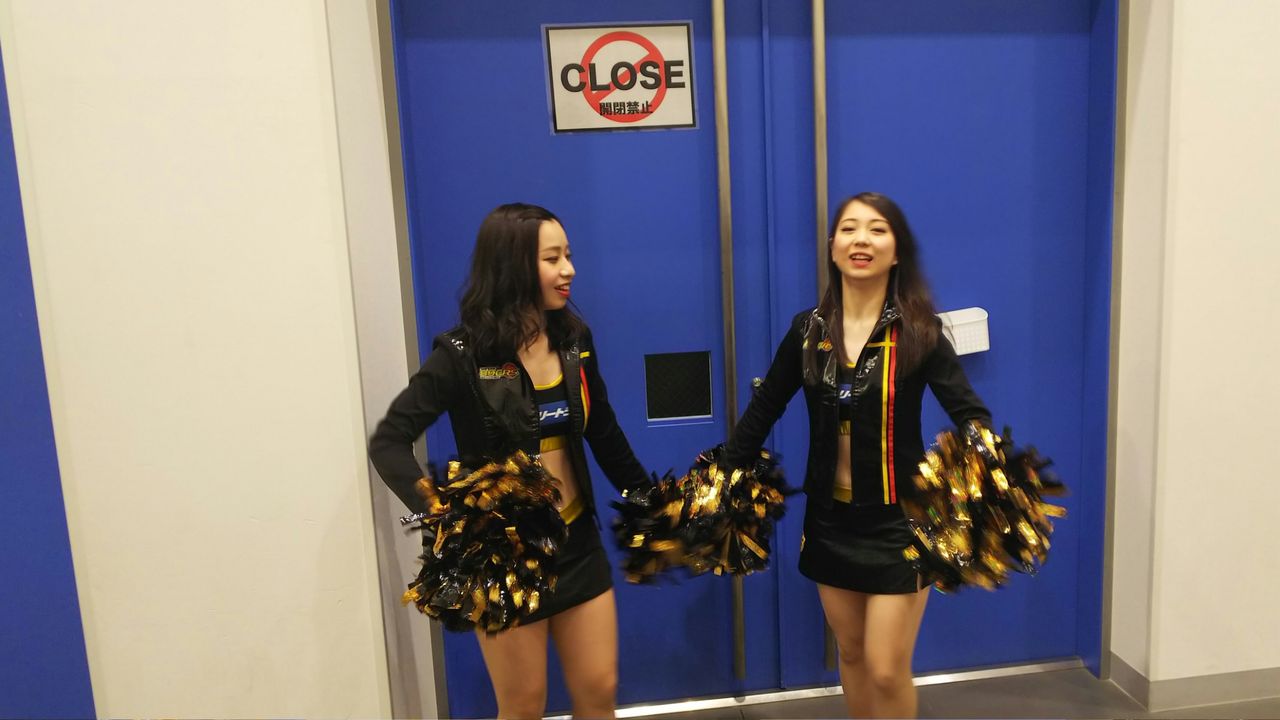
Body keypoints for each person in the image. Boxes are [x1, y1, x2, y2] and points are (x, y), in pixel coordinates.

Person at [369, 203, 650, 720]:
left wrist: (651, 503)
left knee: (599, 690)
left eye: (568, 256)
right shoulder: (461, 355)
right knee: (522, 706)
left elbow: (603, 431)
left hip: (578, 544)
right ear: (513, 265)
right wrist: (443, 512)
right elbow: (389, 440)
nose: (568, 270)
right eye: (552, 258)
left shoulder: (574, 341)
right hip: (505, 557)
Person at [723, 192, 991, 718]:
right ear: (832, 247)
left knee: (887, 668)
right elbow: (765, 407)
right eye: (848, 228)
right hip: (830, 521)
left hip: (901, 522)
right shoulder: (807, 331)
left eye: (876, 229)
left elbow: (970, 413)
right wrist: (722, 475)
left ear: (897, 251)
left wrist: (979, 469)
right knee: (850, 653)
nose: (861, 239)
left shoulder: (920, 331)